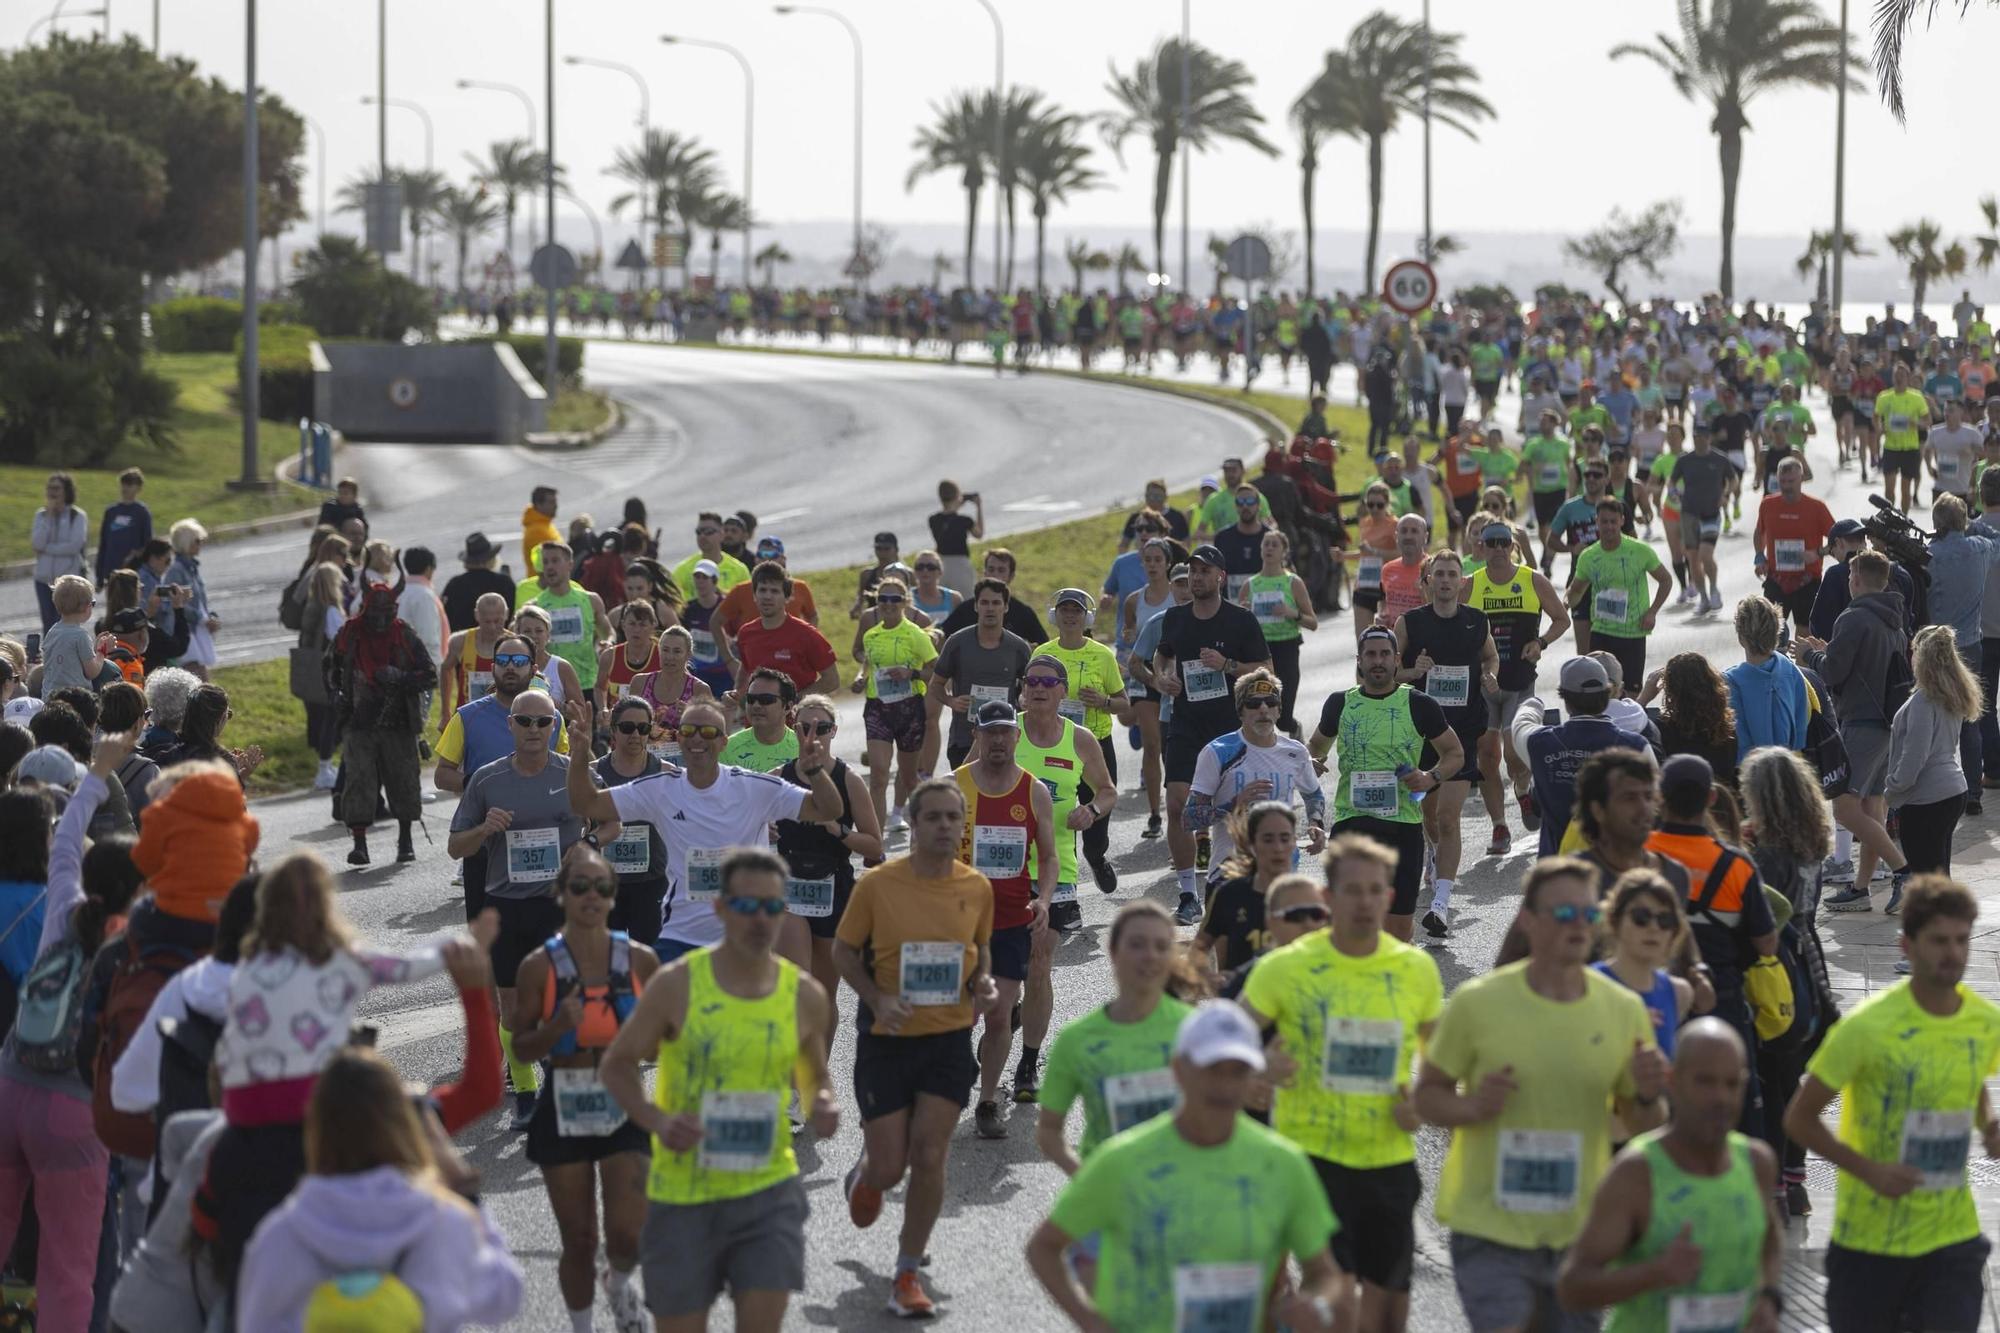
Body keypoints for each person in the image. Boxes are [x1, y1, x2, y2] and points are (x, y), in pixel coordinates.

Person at [1414, 857, 1669, 1333]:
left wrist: (1651, 1094)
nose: (1579, 926)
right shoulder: (1477, 1003)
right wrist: (1472, 1107)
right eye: (1564, 914)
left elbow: (1645, 1125)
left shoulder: (1623, 1009)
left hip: (1579, 1232)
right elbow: (1427, 1097)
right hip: (1490, 1225)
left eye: (1588, 915)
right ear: (1528, 920)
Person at [594, 847, 837, 1332]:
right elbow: (617, 1066)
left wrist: (823, 1103)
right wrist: (657, 1120)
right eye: (747, 906)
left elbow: (814, 1076)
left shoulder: (805, 994)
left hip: (768, 1192)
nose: (761, 919)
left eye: (773, 906)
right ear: (721, 908)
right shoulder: (677, 985)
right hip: (685, 1196)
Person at [1026, 998, 1354, 1331]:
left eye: (1238, 1071)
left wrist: (1317, 1303)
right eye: (1212, 1069)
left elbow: (1323, 1273)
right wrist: (1092, 1322)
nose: (1224, 1086)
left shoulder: (1283, 1164)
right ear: (1179, 1069)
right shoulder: (1123, 1160)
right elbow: (1044, 1248)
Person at [1241, 832, 1444, 1332]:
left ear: (1391, 898)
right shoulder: (1286, 967)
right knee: (1333, 1301)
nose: (1365, 902)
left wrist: (1420, 1102)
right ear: (1329, 899)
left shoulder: (1415, 969)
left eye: (1376, 891)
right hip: (1312, 1159)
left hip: (1388, 1160)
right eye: (1352, 891)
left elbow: (1440, 1068)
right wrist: (1259, 1067)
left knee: (1390, 1314)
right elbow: (1226, 1043)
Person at [1781, 877, 2000, 1333]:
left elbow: (1971, 1073)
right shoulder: (1866, 1027)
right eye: (1939, 940)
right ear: (1906, 945)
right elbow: (1799, 1118)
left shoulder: (1984, 1021)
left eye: (1962, 940)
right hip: (1869, 1245)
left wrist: (1989, 1122)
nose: (1953, 953)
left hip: (1952, 1240)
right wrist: (1867, 1169)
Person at [833, 778, 1002, 1319]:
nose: (945, 827)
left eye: (954, 818)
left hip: (948, 1039)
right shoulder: (879, 885)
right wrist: (877, 998)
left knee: (930, 1153)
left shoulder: (976, 886)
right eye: (934, 818)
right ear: (914, 821)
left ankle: (907, 1271)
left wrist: (985, 985)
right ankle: (868, 1175)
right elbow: (841, 951)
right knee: (890, 1168)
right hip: (887, 1040)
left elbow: (980, 949)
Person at [0, 731, 142, 1331]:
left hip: (9, 1088)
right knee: (68, 1272)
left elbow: (61, 846)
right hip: (73, 1111)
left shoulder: (59, 902)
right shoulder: (132, 946)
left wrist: (96, 772)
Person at [234, 1047, 524, 1332]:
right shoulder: (445, 1222)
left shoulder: (279, 1238)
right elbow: (505, 1296)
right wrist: (462, 1185)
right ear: (403, 1124)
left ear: (315, 1129)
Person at [564, 696, 843, 965]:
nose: (698, 738)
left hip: (744, 936)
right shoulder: (661, 788)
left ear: (723, 742)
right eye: (688, 731)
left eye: (708, 732)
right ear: (680, 739)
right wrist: (579, 756)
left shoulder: (753, 788)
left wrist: (816, 771)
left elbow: (827, 810)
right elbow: (586, 803)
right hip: (681, 938)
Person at [507, 846, 661, 1333]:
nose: (591, 897)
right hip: (564, 1102)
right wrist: (555, 1029)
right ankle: (582, 1326)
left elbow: (666, 1039)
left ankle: (617, 1284)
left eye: (602, 887)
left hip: (623, 1102)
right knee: (577, 1239)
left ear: (614, 896)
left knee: (627, 1237)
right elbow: (524, 1048)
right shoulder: (538, 966)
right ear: (561, 894)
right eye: (580, 887)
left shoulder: (641, 960)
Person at [1556, 1019, 1783, 1332]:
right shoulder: (1637, 1173)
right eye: (1705, 1082)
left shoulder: (1756, 1162)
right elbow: (1572, 1288)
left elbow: (1769, 1239)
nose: (1720, 1097)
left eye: (1732, 1084)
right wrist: (1655, 1273)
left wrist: (1768, 1297)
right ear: (1672, 1082)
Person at [447, 687, 588, 1128]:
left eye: (543, 722)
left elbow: (610, 822)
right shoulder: (487, 779)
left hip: (559, 906)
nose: (533, 729)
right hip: (505, 904)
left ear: (555, 727)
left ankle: (562, 1083)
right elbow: (455, 847)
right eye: (524, 721)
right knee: (510, 1006)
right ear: (510, 725)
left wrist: (586, 850)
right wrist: (485, 830)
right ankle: (526, 1094)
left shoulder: (573, 773)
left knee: (562, 1000)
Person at [1647, 754, 1780, 1126]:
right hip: (1721, 1001)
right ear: (1711, 799)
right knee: (1734, 1106)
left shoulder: (1643, 857)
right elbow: (1767, 943)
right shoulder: (1736, 865)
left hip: (1653, 1001)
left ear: (1660, 797)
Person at [1310, 627, 1462, 942]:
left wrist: (1429, 777)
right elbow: (1314, 750)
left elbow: (1455, 753)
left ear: (1396, 660)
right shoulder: (1340, 704)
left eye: (1384, 654)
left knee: (1397, 933)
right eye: (1370, 654)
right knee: (1347, 925)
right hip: (1352, 825)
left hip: (1402, 828)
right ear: (1359, 661)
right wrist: (1311, 764)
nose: (1377, 661)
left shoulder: (1419, 704)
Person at [951, 699, 1058, 1130]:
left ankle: (989, 1103)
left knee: (999, 1014)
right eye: (988, 732)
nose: (997, 740)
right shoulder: (954, 787)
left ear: (1017, 736)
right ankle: (951, 1072)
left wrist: (1045, 900)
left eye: (1004, 732)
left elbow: (1049, 858)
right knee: (960, 1014)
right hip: (957, 923)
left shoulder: (1033, 790)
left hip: (1012, 920)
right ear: (976, 736)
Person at [1154, 544, 1273, 924]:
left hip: (1230, 727)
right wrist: (1164, 677)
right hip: (1187, 724)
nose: (1197, 578)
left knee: (1236, 811)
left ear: (1220, 576)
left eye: (1205, 571)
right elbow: (1163, 654)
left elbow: (1266, 670)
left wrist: (1228, 665)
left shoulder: (1240, 621)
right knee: (1177, 805)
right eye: (1193, 571)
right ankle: (1188, 894)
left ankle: (1243, 885)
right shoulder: (1175, 618)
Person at [1036, 900, 1200, 1175]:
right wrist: (1093, 1184)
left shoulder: (1197, 1031)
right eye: (1137, 944)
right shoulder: (1078, 1039)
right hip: (1109, 1205)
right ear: (1113, 951)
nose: (1149, 956)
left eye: (1161, 947)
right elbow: (1049, 1132)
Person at [1795, 549, 1913, 904]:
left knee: (1845, 808)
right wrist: (1828, 651)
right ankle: (1861, 889)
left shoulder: (1854, 617)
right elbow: (1861, 663)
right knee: (1872, 807)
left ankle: (1903, 871)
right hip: (1887, 721)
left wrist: (1809, 656)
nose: (1848, 582)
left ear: (1857, 579)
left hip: (1861, 721)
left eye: (1849, 576)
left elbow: (1831, 672)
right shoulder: (1894, 617)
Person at [1396, 549, 1499, 935]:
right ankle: (1434, 853)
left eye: (1451, 574)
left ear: (1461, 582)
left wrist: (1491, 676)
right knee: (1429, 816)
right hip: (1422, 731)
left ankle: (1440, 903)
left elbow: (1490, 658)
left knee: (1448, 818)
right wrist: (1412, 670)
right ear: (1427, 582)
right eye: (1438, 574)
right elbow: (1385, 672)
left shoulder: (1476, 621)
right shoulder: (1410, 623)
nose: (1444, 580)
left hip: (1463, 731)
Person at [774, 693, 882, 1031]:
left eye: (821, 728)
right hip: (788, 886)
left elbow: (875, 846)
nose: (813, 735)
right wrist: (764, 830)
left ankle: (817, 1074)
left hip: (833, 886)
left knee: (822, 994)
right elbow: (744, 826)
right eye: (805, 727)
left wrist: (840, 831)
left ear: (834, 732)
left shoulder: (848, 780)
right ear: (794, 729)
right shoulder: (778, 776)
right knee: (795, 987)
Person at [1468, 518, 1572, 853]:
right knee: (1486, 754)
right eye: (1490, 542)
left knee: (1514, 754)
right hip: (1483, 684)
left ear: (1513, 546)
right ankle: (1499, 827)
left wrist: (1540, 643)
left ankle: (1524, 791)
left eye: (1503, 542)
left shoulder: (1532, 580)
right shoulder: (1470, 585)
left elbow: (1562, 618)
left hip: (1519, 680)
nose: (1497, 549)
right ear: (1480, 547)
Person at [1186, 669, 1325, 916]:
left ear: (1279, 711)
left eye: (1271, 703)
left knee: (1283, 952)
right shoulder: (1218, 751)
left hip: (1281, 875)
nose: (1263, 709)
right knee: (1230, 955)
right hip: (1229, 875)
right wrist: (1233, 805)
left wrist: (1315, 823)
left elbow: (1313, 794)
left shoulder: (1295, 752)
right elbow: (1190, 818)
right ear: (1241, 711)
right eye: (1253, 703)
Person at [326, 575, 437, 866]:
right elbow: (330, 669)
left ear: (394, 611)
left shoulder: (405, 634)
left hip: (398, 722)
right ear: (365, 608)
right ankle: (360, 843)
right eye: (373, 613)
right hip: (358, 721)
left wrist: (400, 678)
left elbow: (429, 675)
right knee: (359, 780)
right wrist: (336, 693)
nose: (379, 620)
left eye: (385, 614)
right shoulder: (349, 633)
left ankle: (406, 838)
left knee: (403, 780)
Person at [1510, 656, 1651, 855]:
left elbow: (1520, 725)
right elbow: (1654, 805)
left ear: (1566, 700)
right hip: (1618, 870)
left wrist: (1532, 704)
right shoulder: (1636, 746)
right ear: (1609, 694)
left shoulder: (1539, 744)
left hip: (1557, 873)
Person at [1918, 495, 2000, 813]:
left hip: (1936, 644)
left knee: (1933, 717)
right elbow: (1996, 539)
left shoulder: (1929, 555)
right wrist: (1973, 523)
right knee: (1970, 718)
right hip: (1970, 644)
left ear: (1936, 523)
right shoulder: (1979, 547)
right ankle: (1973, 793)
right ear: (1962, 522)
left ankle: (1936, 790)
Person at [1888, 624, 1981, 880]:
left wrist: (1892, 789)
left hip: (1926, 798)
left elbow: (1915, 756)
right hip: (1953, 790)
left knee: (1925, 877)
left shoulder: (1923, 701)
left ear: (1920, 655)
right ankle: (1950, 917)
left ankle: (1934, 919)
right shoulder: (1951, 694)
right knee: (1940, 874)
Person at [855, 574, 938, 832]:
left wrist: (911, 673)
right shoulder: (871, 635)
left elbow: (936, 672)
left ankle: (922, 835)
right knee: (878, 776)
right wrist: (860, 679)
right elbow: (867, 665)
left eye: (895, 599)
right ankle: (875, 843)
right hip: (877, 708)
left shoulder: (916, 635)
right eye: (883, 599)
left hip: (909, 709)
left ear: (905, 602)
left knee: (910, 777)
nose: (888, 604)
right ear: (877, 601)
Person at [924, 577, 1033, 774]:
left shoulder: (1018, 647)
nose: (990, 608)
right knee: (967, 801)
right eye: (984, 602)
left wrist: (1023, 699)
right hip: (964, 739)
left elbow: (1030, 686)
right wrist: (951, 701)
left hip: (1004, 741)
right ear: (975, 606)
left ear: (1006, 607)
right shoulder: (957, 642)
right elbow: (935, 685)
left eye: (996, 603)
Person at [1591, 870, 1697, 1064]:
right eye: (1641, 917)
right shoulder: (1586, 986)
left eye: (1665, 920)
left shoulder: (1680, 994)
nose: (1654, 927)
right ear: (1614, 920)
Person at [593, 696, 674, 950]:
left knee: (650, 959)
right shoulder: (592, 773)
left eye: (643, 728)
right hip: (605, 882)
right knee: (607, 959)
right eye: (628, 728)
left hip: (652, 881)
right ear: (614, 730)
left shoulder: (667, 773)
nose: (635, 735)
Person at [1191, 800, 1305, 975]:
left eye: (1285, 838)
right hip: (1241, 999)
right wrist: (1211, 982)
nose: (1278, 848)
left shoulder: (1309, 897)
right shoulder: (1229, 895)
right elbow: (1198, 949)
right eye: (1268, 839)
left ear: (1294, 842)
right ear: (1252, 844)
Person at [1570, 497, 1671, 690]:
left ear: (1622, 521)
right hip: (1601, 631)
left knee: (1631, 694)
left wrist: (1652, 612)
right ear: (1596, 521)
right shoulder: (1589, 556)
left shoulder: (1639, 551)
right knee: (1599, 693)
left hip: (1633, 632)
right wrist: (1566, 602)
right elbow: (1576, 590)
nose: (1609, 527)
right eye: (1604, 521)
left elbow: (1665, 580)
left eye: (1613, 522)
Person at [1240, 527, 1319, 735]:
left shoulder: (1292, 582)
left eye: (1275, 544)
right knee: (1258, 711)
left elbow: (1313, 622)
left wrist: (1292, 613)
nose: (1269, 548)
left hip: (1287, 648)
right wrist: (1244, 615)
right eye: (1266, 544)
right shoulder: (1250, 585)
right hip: (1259, 652)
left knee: (1283, 718)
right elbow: (1236, 626)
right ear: (1260, 549)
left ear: (1284, 551)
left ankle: (1295, 729)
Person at [735, 560, 842, 699]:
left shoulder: (807, 634)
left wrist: (795, 701)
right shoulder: (746, 633)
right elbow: (745, 669)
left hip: (796, 718)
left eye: (774, 591)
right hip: (757, 717)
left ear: (787, 598)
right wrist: (737, 696)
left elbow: (832, 681)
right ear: (754, 596)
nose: (767, 596)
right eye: (762, 590)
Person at [1752, 456, 1834, 629]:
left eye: (1791, 481)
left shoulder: (1816, 507)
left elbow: (1837, 540)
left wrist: (1817, 553)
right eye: (1782, 481)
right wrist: (1759, 556)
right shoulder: (1768, 504)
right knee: (1769, 631)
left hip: (1807, 580)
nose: (1787, 486)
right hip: (1776, 579)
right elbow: (1760, 533)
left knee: (1804, 634)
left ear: (1801, 479)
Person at [1723, 596, 1808, 762]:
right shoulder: (1790, 669)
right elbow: (1800, 726)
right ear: (1777, 630)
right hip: (1791, 763)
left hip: (1754, 771)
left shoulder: (1731, 681)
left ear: (1741, 638)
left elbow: (1738, 738)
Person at [31, 471, 89, 633]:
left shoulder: (76, 516)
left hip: (67, 582)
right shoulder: (41, 515)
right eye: (49, 488)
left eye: (56, 488)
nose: (52, 492)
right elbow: (37, 543)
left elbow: (74, 546)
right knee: (47, 623)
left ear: (66, 491)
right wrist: (49, 516)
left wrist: (47, 549)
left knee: (64, 623)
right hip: (43, 579)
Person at [718, 666, 800, 772]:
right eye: (751, 699)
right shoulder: (727, 749)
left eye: (766, 699)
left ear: (787, 707)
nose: (756, 705)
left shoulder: (803, 749)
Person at [441, 531, 518, 632]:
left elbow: (445, 616)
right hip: (498, 639)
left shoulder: (455, 584)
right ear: (490, 558)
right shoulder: (504, 582)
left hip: (463, 642)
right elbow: (513, 614)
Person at [95, 467, 152, 588]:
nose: (125, 488)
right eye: (124, 484)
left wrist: (136, 555)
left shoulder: (141, 512)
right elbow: (104, 543)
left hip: (132, 570)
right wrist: (99, 574)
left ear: (138, 488)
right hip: (111, 569)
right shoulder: (111, 511)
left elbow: (147, 542)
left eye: (130, 485)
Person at [928, 479, 985, 594]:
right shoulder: (964, 521)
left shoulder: (933, 520)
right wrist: (978, 507)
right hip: (960, 564)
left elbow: (948, 516)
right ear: (957, 495)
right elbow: (979, 534)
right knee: (965, 600)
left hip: (941, 564)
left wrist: (957, 502)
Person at [522, 485, 562, 574]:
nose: (556, 506)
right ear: (539, 504)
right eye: (552, 502)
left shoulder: (544, 524)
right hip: (544, 586)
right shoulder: (537, 532)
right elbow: (550, 563)